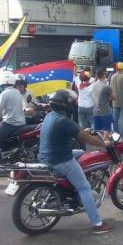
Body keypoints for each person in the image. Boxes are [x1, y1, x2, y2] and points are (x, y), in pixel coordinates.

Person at [39, 89, 114, 234]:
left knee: (83, 154)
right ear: (65, 105)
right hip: (60, 159)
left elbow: (75, 131)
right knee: (84, 187)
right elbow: (84, 138)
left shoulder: (50, 116)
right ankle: (98, 224)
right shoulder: (63, 120)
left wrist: (82, 130)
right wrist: (103, 144)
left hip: (46, 156)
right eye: (71, 102)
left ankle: (73, 185)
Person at [0, 70, 26, 177]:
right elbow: (4, 104)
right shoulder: (16, 92)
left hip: (9, 123)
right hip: (20, 123)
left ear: (1, 81)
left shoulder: (5, 93)